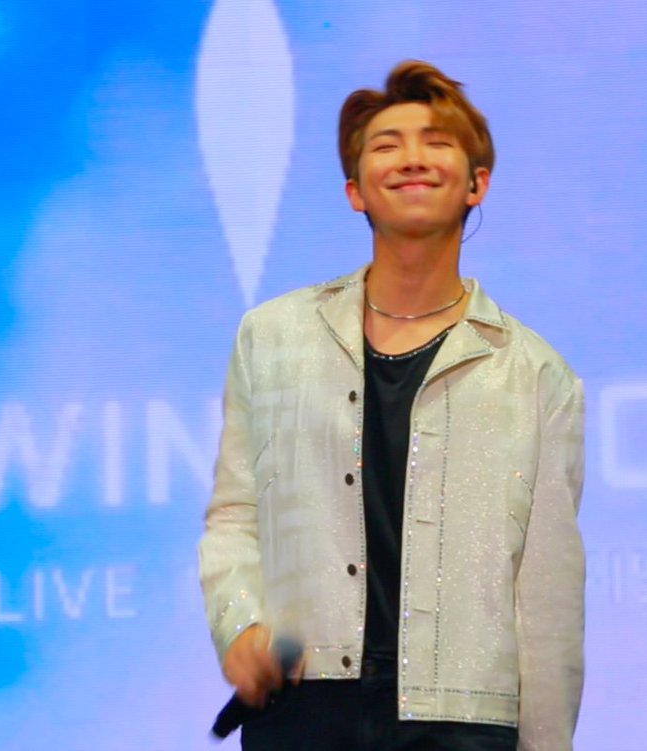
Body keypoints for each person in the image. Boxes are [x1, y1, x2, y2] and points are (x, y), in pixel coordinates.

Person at [198, 61, 585, 750]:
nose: (411, 158)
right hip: (306, 705)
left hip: (460, 717)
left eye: (436, 142)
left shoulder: (534, 374)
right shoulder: (274, 336)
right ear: (355, 190)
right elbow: (235, 513)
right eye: (386, 145)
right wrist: (242, 625)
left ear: (477, 183)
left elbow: (546, 594)